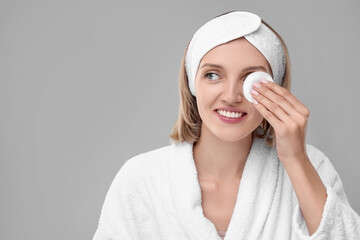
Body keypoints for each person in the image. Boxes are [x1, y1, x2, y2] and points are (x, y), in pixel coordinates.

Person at [92, 10, 360, 240]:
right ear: (191, 84)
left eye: (251, 79)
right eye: (212, 75)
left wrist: (295, 158)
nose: (231, 96)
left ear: (276, 90)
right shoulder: (142, 179)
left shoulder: (311, 166)